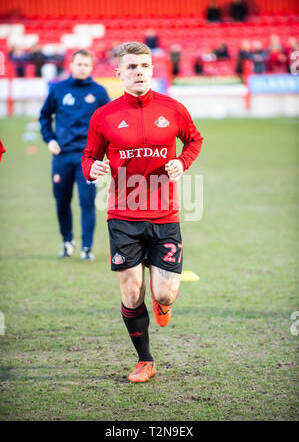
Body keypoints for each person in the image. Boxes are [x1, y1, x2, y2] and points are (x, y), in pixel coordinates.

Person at [81, 42, 203, 382]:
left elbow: (194, 140)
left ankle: (162, 302)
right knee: (131, 290)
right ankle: (145, 360)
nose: (139, 72)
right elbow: (89, 155)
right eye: (132, 66)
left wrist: (181, 161)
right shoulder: (104, 116)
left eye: (144, 66)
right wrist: (92, 169)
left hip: (165, 215)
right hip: (123, 215)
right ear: (118, 72)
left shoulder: (173, 109)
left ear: (152, 70)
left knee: (164, 293)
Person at [39, 49, 110, 260]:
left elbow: (110, 122)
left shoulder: (98, 92)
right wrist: (50, 139)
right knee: (62, 201)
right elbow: (44, 116)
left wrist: (104, 149)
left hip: (88, 159)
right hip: (62, 156)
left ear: (91, 67)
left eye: (86, 65)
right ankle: (67, 241)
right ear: (71, 65)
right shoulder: (58, 89)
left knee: (87, 202)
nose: (82, 68)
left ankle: (86, 247)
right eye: (79, 64)